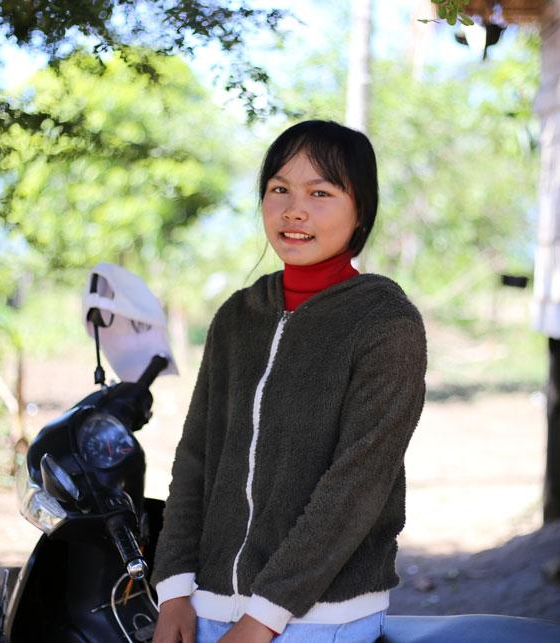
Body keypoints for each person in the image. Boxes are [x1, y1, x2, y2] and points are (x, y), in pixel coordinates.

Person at [152, 120, 427, 643]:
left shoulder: (386, 323)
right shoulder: (238, 316)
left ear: (361, 210)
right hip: (207, 607)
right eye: (279, 189)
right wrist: (174, 590)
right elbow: (196, 459)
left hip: (323, 618)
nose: (294, 210)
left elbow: (356, 485)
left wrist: (265, 617)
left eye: (320, 192)